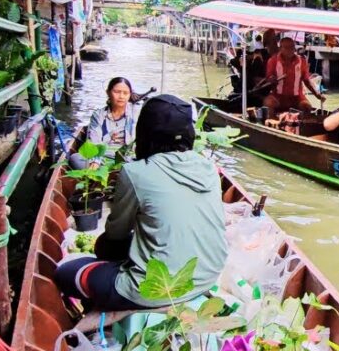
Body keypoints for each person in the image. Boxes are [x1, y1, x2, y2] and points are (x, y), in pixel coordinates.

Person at [54, 95, 227, 310]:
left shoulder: (136, 172)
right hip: (207, 277)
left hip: (155, 291)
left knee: (66, 273)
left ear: (144, 132)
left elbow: (115, 236)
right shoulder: (208, 168)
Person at [262, 36, 326, 112]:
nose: (290, 50)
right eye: (286, 48)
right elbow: (268, 77)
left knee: (307, 107)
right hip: (278, 97)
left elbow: (307, 81)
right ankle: (272, 121)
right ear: (280, 48)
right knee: (268, 103)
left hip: (297, 98)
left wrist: (317, 95)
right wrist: (271, 79)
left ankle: (300, 122)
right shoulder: (273, 61)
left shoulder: (302, 61)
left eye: (292, 47)